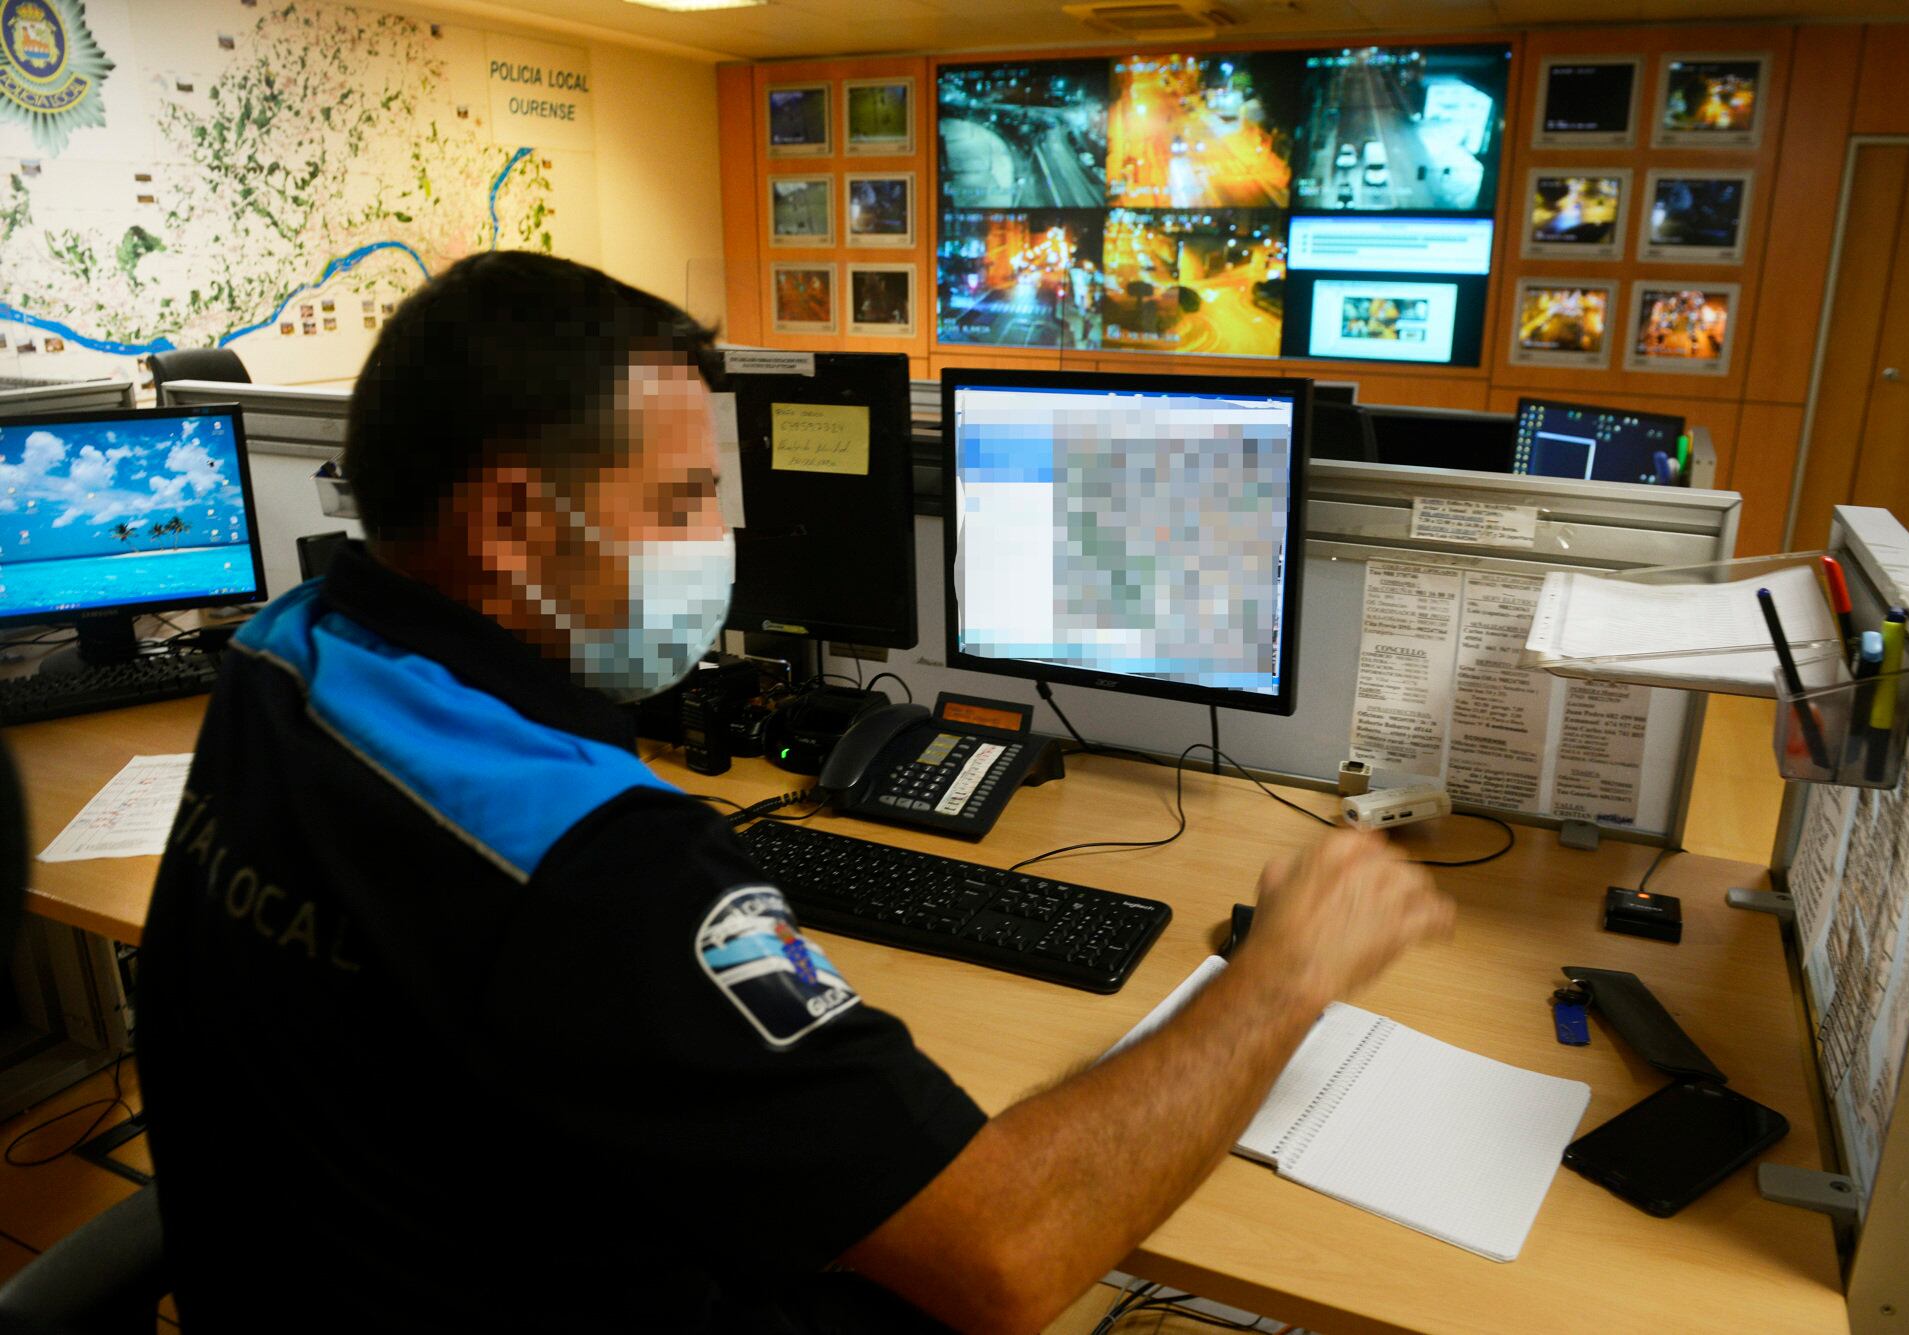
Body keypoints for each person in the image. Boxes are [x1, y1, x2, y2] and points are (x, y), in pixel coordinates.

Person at [138, 251, 1453, 1333]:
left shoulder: (282, 657)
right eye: (685, 498)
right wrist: (1281, 974)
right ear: (509, 527)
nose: (719, 545)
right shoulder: (592, 867)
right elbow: (1010, 1254)